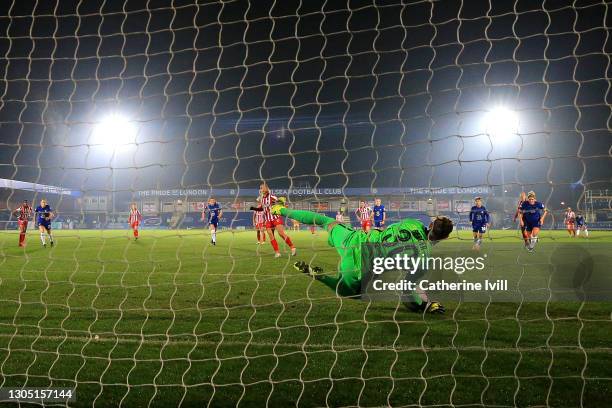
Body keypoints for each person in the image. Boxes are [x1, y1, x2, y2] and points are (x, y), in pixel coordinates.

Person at [269, 202, 453, 314]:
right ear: (445, 238)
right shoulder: (423, 259)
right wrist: (424, 305)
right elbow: (405, 291)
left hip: (355, 239)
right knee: (350, 292)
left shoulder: (413, 223)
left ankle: (281, 210)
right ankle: (322, 277)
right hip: (361, 264)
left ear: (430, 224)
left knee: (324, 221)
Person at [259, 183, 295, 257]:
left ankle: (292, 247)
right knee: (270, 235)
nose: (261, 189)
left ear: (266, 188)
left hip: (276, 217)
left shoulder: (272, 197)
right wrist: (263, 222)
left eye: (262, 188)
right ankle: (277, 252)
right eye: (260, 188)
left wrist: (284, 206)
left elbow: (282, 204)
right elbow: (263, 211)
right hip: (268, 219)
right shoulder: (262, 199)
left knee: (281, 233)